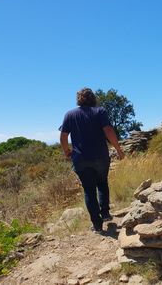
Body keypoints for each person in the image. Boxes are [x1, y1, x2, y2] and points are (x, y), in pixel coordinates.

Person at [60, 88, 125, 233]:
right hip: (100, 156)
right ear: (93, 99)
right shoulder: (100, 111)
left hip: (80, 159)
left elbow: (64, 136)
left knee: (89, 191)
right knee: (102, 183)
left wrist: (66, 151)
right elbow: (108, 130)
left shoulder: (70, 114)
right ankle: (106, 214)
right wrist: (118, 149)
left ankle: (97, 225)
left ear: (78, 99)